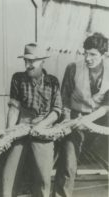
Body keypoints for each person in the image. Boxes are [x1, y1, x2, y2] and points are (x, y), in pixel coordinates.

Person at [0, 43, 62, 197]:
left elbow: (56, 111)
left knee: (43, 176)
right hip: (22, 127)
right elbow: (14, 108)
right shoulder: (18, 78)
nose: (28, 64)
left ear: (42, 61)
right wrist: (9, 132)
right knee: (8, 173)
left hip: (43, 128)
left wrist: (41, 125)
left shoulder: (53, 82)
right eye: (26, 61)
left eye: (32, 61)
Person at [53, 32, 109, 197]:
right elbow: (64, 99)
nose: (87, 58)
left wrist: (89, 121)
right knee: (68, 163)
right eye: (85, 53)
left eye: (93, 54)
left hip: (100, 120)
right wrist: (68, 122)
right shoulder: (73, 68)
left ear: (104, 55)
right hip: (75, 119)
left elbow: (107, 106)